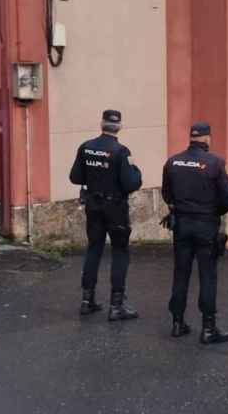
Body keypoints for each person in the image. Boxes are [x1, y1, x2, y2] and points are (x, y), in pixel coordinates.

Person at [161, 121, 228, 344]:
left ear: (191, 138)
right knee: (207, 276)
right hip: (205, 226)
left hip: (182, 225)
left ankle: (177, 322)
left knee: (181, 273)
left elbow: (167, 194)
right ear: (207, 139)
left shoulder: (173, 162)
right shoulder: (215, 163)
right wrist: (213, 212)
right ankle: (208, 328)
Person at [69, 109, 143, 321]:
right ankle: (116, 306)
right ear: (119, 126)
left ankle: (87, 300)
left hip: (93, 205)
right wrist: (135, 170)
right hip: (115, 208)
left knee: (94, 249)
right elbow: (131, 183)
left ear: (101, 124)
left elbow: (75, 177)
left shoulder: (86, 147)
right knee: (120, 253)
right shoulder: (121, 152)